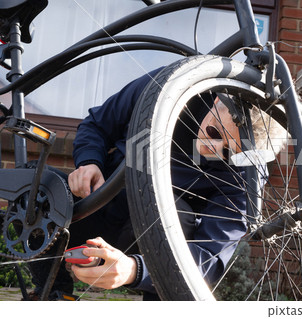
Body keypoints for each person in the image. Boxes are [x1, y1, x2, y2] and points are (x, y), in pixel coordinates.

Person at [28, 66, 287, 300]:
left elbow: (209, 259)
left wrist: (135, 270)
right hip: (100, 202)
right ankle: (53, 294)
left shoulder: (247, 175)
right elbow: (97, 124)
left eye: (231, 152)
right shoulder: (166, 85)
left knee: (178, 217)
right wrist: (88, 162)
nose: (213, 148)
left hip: (152, 244)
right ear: (218, 99)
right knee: (36, 181)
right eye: (214, 132)